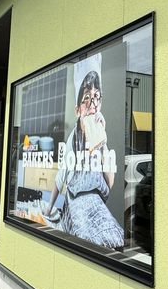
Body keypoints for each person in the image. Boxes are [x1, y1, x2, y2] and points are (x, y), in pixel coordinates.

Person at [44, 54, 124, 249]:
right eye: (86, 98)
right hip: (75, 203)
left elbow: (109, 183)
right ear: (77, 109)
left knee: (113, 237)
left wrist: (102, 144)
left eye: (97, 97)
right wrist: (49, 207)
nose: (93, 105)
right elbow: (61, 176)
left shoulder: (101, 134)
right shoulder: (73, 139)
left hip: (97, 204)